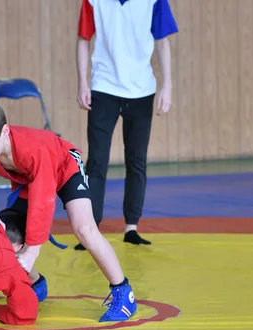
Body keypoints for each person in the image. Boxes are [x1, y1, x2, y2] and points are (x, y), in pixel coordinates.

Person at [0, 101, 136, 323]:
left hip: (64, 167)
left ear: (4, 131)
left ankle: (123, 291)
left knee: (85, 229)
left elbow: (42, 203)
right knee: (3, 234)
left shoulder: (33, 148)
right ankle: (36, 283)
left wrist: (32, 252)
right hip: (30, 178)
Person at [74, 0, 178, 250]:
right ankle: (92, 227)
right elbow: (83, 40)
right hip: (103, 87)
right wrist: (82, 83)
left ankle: (132, 226)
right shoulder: (93, 1)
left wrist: (167, 86)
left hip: (141, 90)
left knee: (136, 160)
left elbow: (162, 41)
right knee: (97, 161)